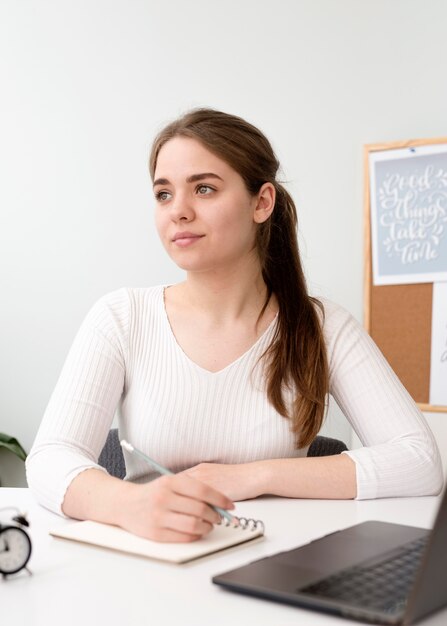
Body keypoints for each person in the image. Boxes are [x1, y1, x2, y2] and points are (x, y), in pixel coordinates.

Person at [26, 108, 443, 543]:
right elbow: (50, 459)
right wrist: (132, 505)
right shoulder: (121, 317)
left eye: (204, 189)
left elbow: (419, 461)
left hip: (277, 569)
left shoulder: (321, 326)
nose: (178, 212)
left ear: (262, 202)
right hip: (153, 567)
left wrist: (251, 477)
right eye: (164, 194)